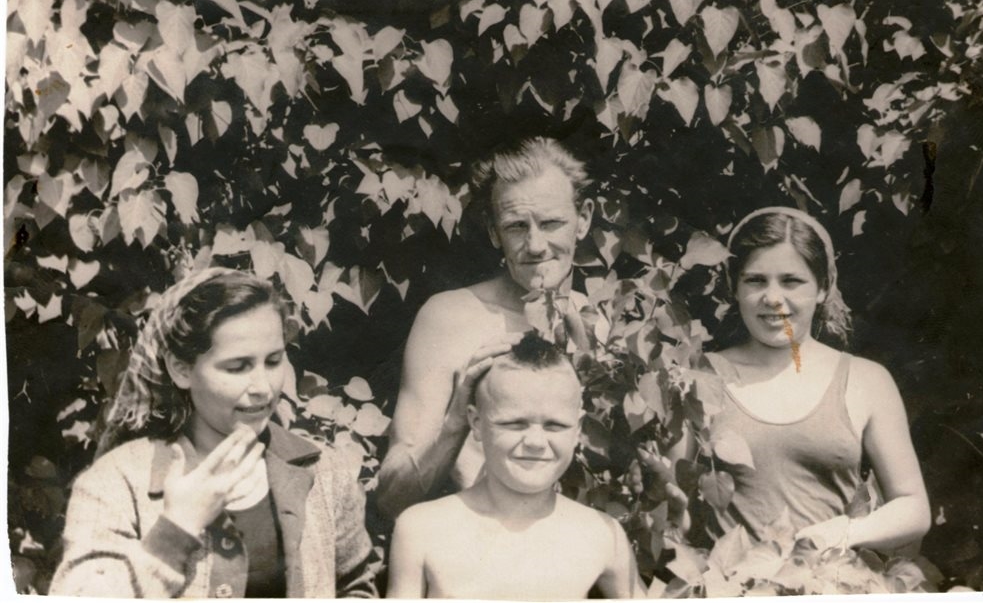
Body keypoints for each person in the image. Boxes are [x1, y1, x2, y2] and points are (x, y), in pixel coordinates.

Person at [49, 268, 378, 598]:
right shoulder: (116, 481)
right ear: (181, 369)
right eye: (237, 367)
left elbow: (356, 588)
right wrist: (176, 528)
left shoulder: (325, 473)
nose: (263, 388)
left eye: (273, 361)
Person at [376, 137, 595, 519]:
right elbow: (391, 498)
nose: (535, 245)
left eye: (551, 223)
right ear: (494, 232)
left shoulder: (601, 328)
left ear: (584, 219)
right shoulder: (450, 318)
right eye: (516, 226)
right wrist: (457, 419)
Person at [698, 206, 931, 551]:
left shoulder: (866, 380)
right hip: (726, 579)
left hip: (832, 576)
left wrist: (845, 533)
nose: (772, 298)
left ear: (823, 287)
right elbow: (676, 512)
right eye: (756, 280)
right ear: (734, 286)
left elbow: (913, 507)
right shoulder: (701, 375)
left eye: (791, 281)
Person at [386, 333, 643, 599]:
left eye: (555, 425)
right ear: (475, 422)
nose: (535, 442)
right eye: (514, 423)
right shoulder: (423, 529)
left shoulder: (601, 535)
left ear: (577, 429)